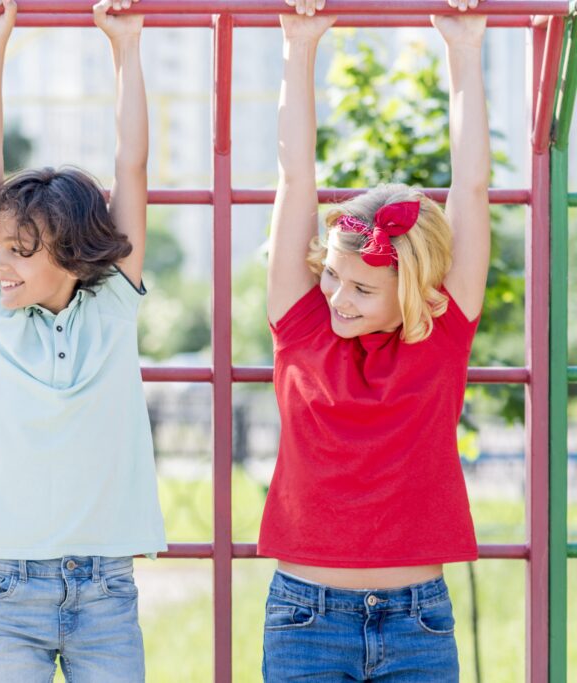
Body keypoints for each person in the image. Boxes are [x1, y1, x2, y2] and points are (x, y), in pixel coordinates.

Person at [260, 0, 489, 679]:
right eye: (332, 276)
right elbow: (294, 179)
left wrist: (464, 51)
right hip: (305, 617)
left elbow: (471, 190)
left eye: (361, 289)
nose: (336, 297)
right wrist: (299, 50)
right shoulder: (300, 323)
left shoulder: (443, 332)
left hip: (418, 618)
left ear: (412, 290)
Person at [0, 0, 165, 679]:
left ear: (74, 253)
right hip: (9, 590)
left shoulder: (111, 304)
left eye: (21, 250)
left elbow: (131, 167)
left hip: (105, 589)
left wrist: (126, 49)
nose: (0, 263)